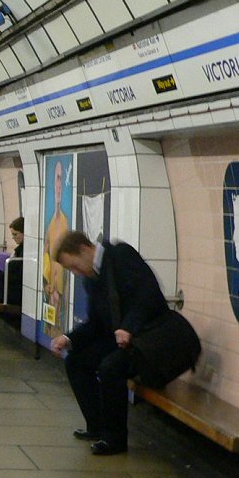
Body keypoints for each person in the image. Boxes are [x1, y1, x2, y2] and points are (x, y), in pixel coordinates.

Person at [48, 231, 169, 456]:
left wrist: (129, 327)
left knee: (111, 367)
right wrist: (69, 338)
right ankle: (97, 425)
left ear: (85, 250)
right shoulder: (92, 279)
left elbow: (149, 295)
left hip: (148, 340)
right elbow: (96, 324)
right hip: (120, 339)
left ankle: (115, 439)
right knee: (76, 361)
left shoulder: (121, 256)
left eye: (74, 266)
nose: (75, 273)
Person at [43, 161, 70, 326]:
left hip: (61, 288)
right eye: (57, 179)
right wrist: (46, 283)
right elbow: (46, 253)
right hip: (51, 287)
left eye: (61, 179)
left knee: (59, 325)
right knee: (50, 326)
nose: (59, 185)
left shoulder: (67, 223)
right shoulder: (50, 224)